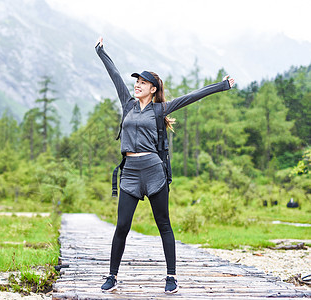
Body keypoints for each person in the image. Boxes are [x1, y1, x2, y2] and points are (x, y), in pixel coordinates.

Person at [95, 36, 235, 294]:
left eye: (143, 83)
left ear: (153, 89)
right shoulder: (128, 105)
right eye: (136, 81)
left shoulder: (161, 109)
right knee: (122, 225)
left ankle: (171, 277)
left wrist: (223, 85)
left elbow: (194, 96)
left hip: (153, 171)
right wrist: (101, 51)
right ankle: (112, 276)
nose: (137, 85)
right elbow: (114, 74)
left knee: (164, 224)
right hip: (130, 172)